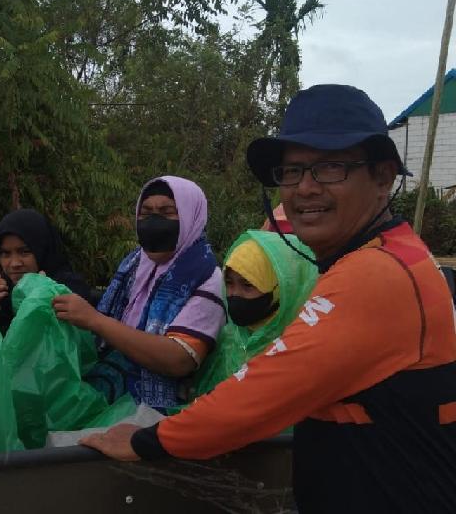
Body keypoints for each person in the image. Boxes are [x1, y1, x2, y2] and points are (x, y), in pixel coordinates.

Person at [79, 85, 456, 513]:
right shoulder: (394, 253)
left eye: (330, 167)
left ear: (383, 176)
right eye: (292, 172)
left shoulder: (377, 273)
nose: (304, 189)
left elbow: (264, 391)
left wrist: (148, 439)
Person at [52, 176, 226, 411]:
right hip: (110, 392)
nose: (154, 221)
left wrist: (95, 321)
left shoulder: (207, 277)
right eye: (146, 212)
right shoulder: (135, 263)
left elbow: (179, 359)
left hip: (159, 413)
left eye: (166, 212)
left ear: (190, 216)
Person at [192, 230, 316, 396]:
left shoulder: (299, 347)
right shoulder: (230, 338)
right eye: (229, 283)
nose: (234, 293)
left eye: (248, 285)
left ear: (280, 288)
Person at [0, 209, 91, 334]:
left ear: (42, 250)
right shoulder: (2, 292)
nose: (14, 264)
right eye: (5, 254)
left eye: (24, 252)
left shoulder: (68, 290)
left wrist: (43, 299)